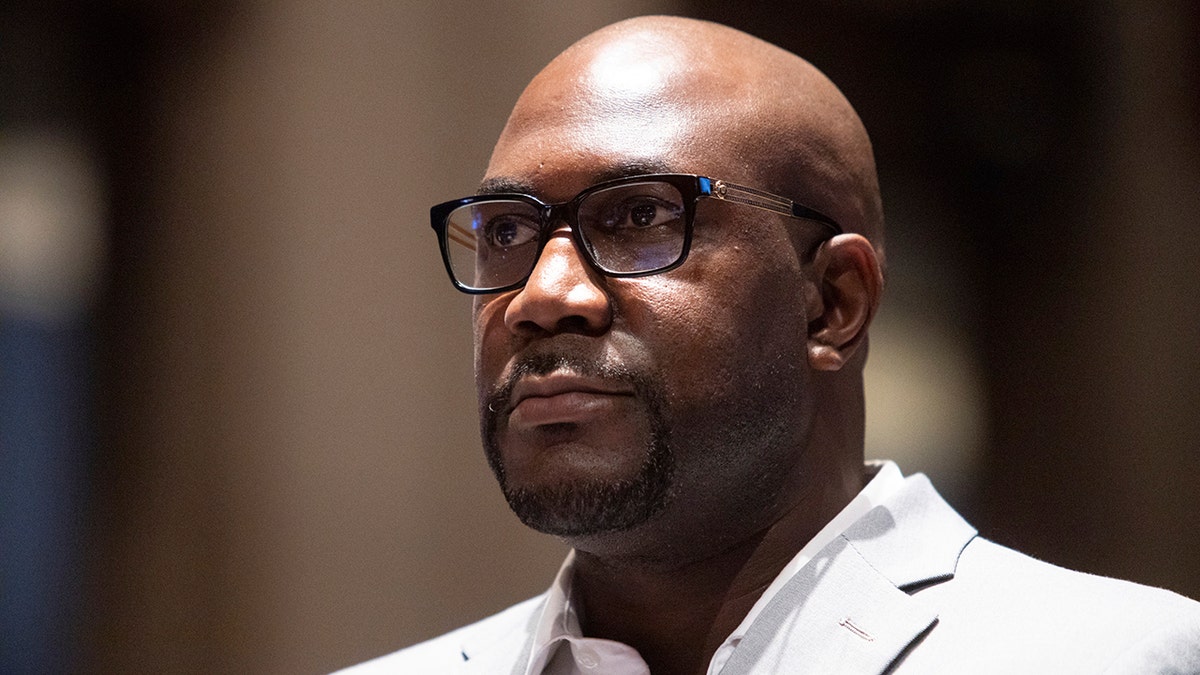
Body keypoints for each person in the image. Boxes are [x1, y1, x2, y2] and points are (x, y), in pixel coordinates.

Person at [339, 15, 1200, 675]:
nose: (543, 294)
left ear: (832, 302)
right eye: (508, 231)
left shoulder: (1111, 656)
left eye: (641, 216)